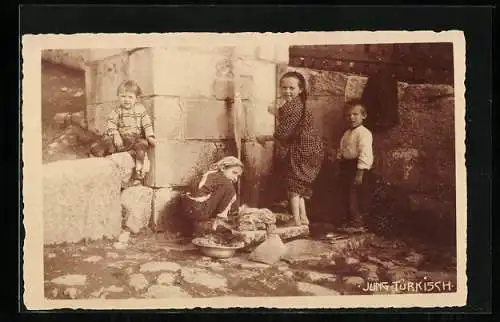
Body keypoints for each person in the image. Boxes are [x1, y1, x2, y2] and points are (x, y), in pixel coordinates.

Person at [273, 71, 325, 226]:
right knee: (301, 187)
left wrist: (275, 116)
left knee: (293, 185)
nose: (287, 91)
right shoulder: (300, 105)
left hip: (304, 151)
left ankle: (295, 220)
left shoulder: (292, 107)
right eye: (283, 88)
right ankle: (304, 218)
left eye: (291, 88)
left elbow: (284, 132)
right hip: (312, 151)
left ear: (300, 90)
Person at [90, 80, 156, 184]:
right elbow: (111, 124)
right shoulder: (117, 111)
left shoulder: (140, 109)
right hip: (121, 138)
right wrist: (116, 135)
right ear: (118, 97)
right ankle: (97, 155)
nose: (126, 100)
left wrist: (149, 136)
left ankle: (138, 172)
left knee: (142, 145)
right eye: (123, 96)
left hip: (135, 138)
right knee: (106, 140)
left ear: (136, 98)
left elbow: (146, 123)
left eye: (130, 97)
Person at [337, 99, 374, 231]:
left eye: (355, 114)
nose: (351, 117)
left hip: (357, 167)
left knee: (356, 195)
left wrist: (360, 172)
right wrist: (339, 157)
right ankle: (349, 221)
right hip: (346, 166)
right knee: (346, 193)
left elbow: (365, 153)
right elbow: (342, 148)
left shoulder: (364, 133)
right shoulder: (347, 133)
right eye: (348, 115)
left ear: (363, 116)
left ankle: (358, 223)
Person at [182, 156, 244, 236]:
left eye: (238, 176)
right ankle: (217, 223)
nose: (235, 178)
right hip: (200, 208)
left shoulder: (210, 174)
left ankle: (205, 225)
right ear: (223, 168)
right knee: (230, 189)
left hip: (189, 207)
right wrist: (225, 217)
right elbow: (230, 199)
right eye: (234, 173)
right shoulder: (225, 182)